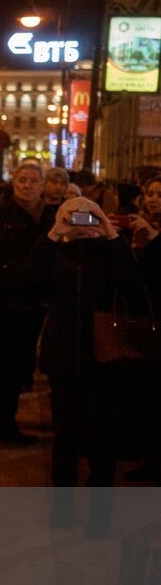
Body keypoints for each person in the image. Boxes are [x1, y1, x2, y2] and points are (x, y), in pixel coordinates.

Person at [31, 198, 145, 530]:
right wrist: (55, 233)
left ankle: (99, 513)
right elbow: (32, 279)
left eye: (89, 215)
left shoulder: (108, 253)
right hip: (63, 357)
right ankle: (63, 509)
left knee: (101, 438)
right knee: (65, 436)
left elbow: (132, 282)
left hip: (102, 359)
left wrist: (109, 233)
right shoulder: (54, 252)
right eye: (73, 214)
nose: (81, 221)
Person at [0, 162, 56, 448]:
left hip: (32, 304)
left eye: (32, 180)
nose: (27, 185)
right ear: (13, 183)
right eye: (21, 180)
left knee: (18, 367)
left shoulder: (50, 217)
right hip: (1, 303)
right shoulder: (0, 215)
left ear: (43, 185)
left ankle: (6, 423)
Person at [120, 175, 161, 482]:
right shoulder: (140, 225)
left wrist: (154, 241)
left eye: (160, 195)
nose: (154, 199)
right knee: (147, 397)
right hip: (144, 323)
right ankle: (148, 457)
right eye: (150, 193)